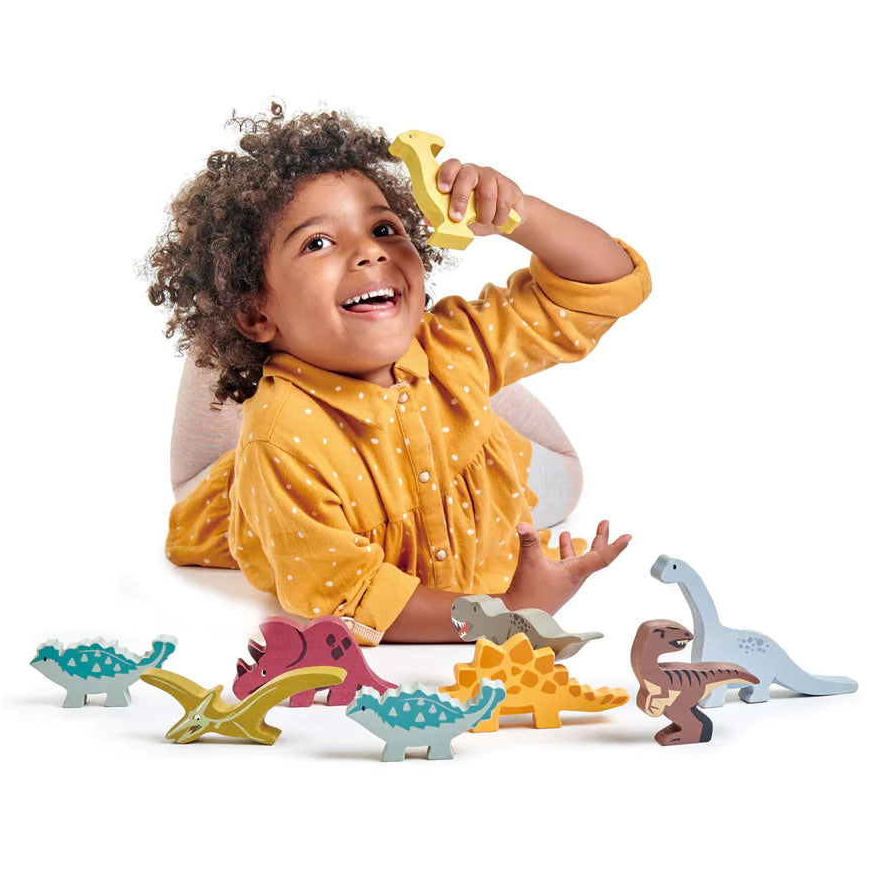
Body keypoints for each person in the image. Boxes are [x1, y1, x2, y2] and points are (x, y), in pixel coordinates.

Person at [146, 104, 651, 645]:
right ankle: (250, 344)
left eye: (385, 228)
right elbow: (350, 596)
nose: (369, 251)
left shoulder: (448, 343)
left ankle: (396, 364)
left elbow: (606, 286)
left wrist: (515, 212)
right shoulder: (280, 443)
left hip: (436, 411)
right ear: (257, 313)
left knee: (561, 477)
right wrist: (507, 613)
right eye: (317, 242)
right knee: (229, 373)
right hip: (249, 488)